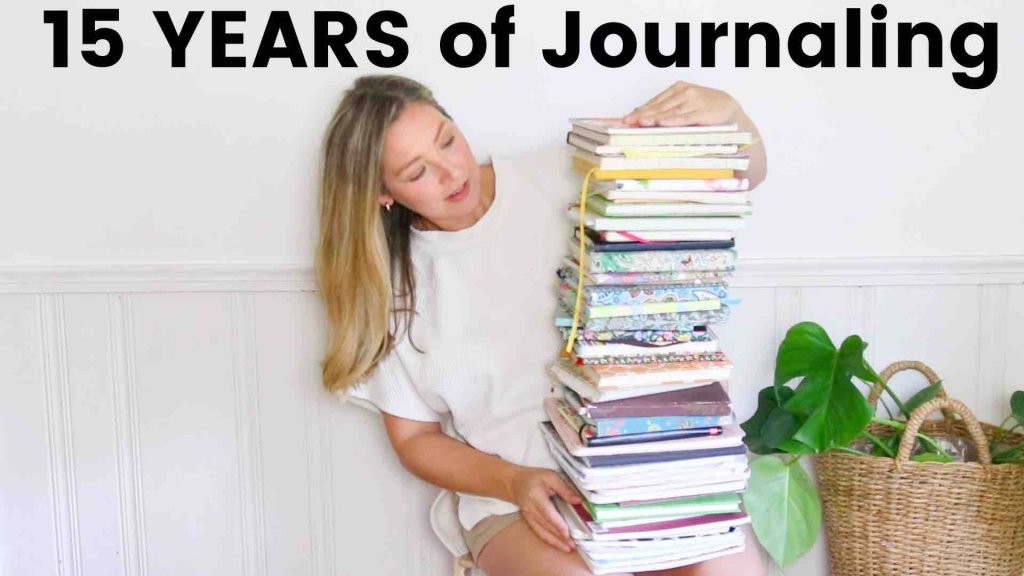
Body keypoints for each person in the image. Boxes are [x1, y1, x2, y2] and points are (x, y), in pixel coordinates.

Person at [316, 74, 768, 576]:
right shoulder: (393, 287)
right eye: (418, 171)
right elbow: (415, 441)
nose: (451, 172)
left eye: (447, 140)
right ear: (383, 192)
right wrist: (513, 482)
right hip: (515, 500)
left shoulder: (568, 173)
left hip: (646, 471)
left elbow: (740, 177)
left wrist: (732, 114)